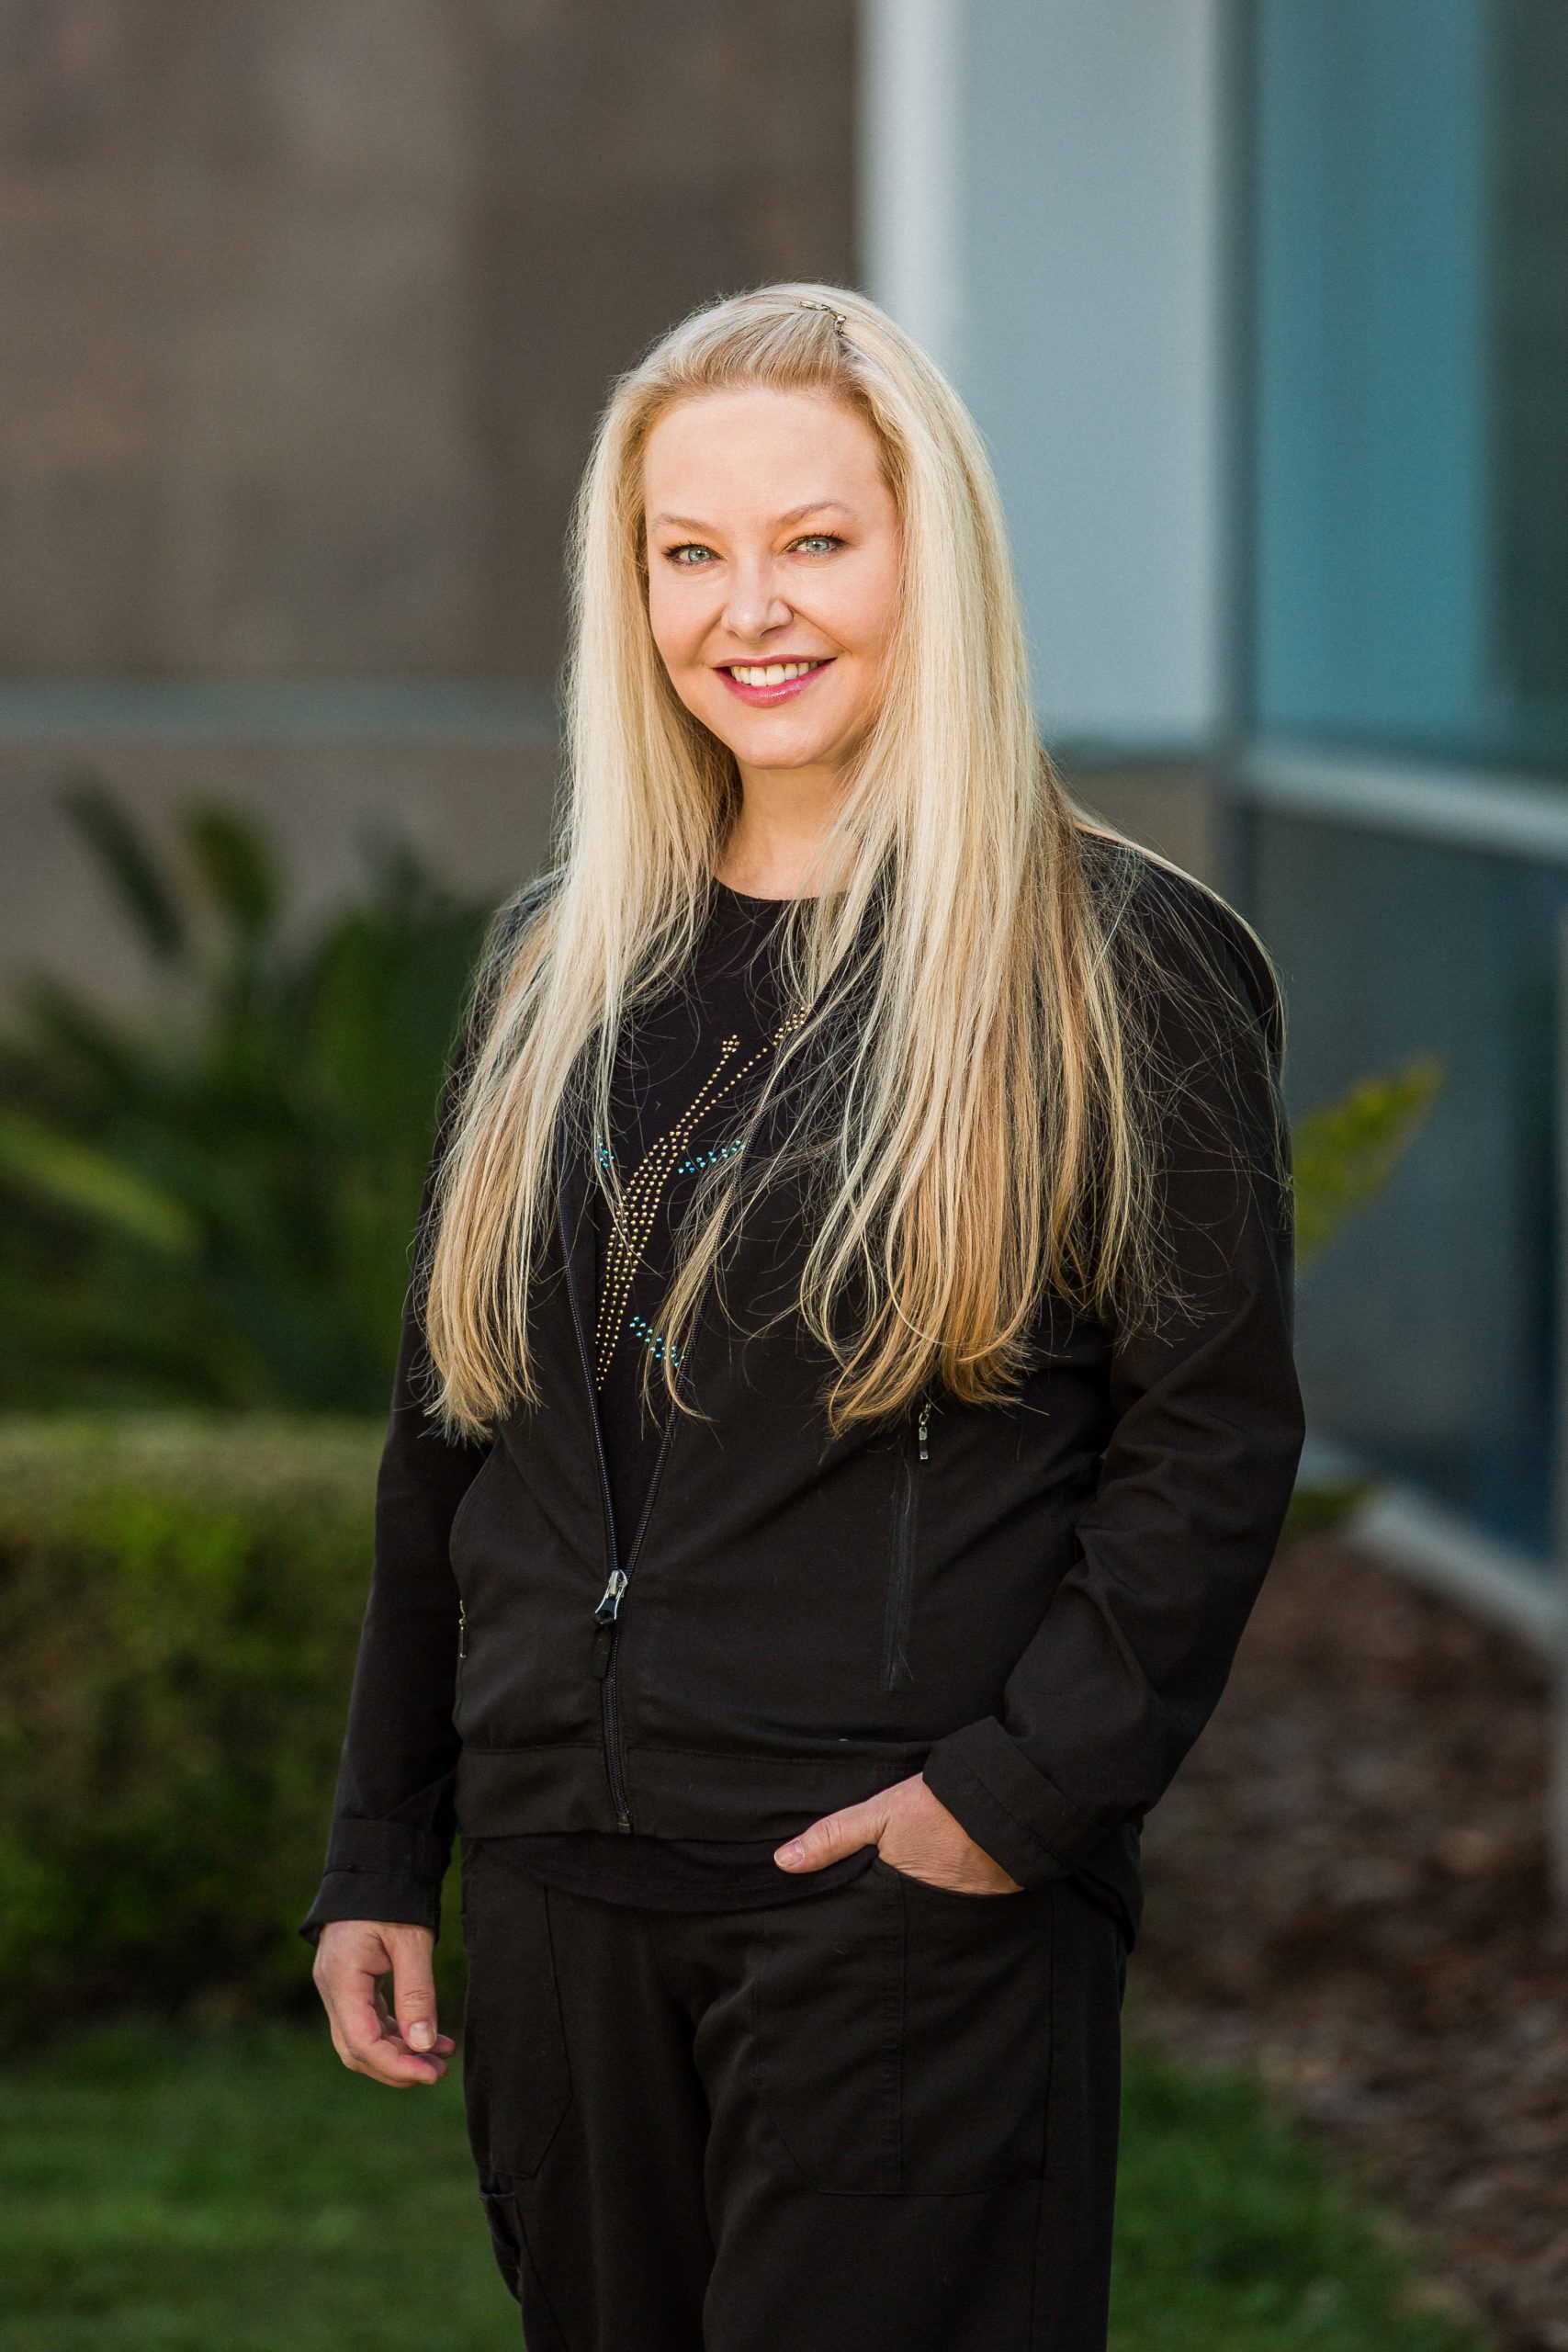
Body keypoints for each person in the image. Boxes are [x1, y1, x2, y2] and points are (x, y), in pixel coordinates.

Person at [302, 282, 1305, 2352]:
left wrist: (1005, 1806)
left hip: (892, 1915)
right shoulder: (555, 966)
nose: (745, 608)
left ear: (926, 555)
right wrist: (383, 1848)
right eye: (688, 551)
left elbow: (1206, 1440)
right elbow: (450, 1443)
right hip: (568, 1907)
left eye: (813, 541)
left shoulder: (1111, 961)